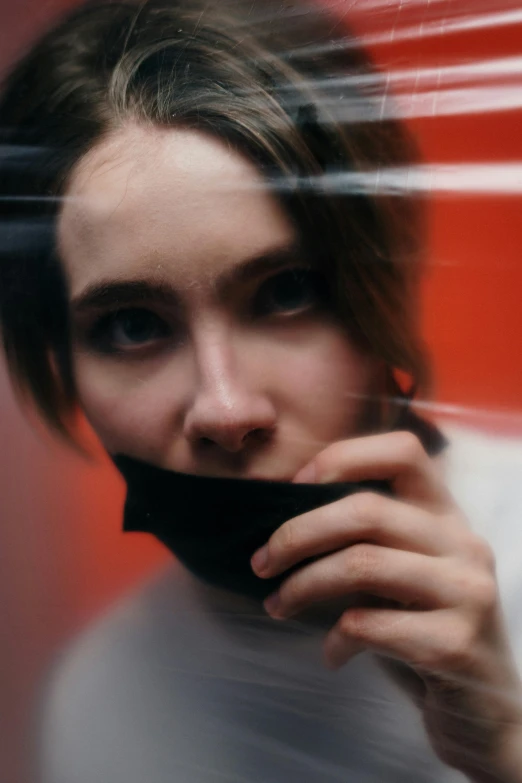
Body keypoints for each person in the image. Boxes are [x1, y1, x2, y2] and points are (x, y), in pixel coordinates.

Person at [1, 1, 522, 781]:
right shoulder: (98, 701)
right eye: (133, 326)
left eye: (287, 292)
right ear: (62, 361)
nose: (226, 408)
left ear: (375, 285)